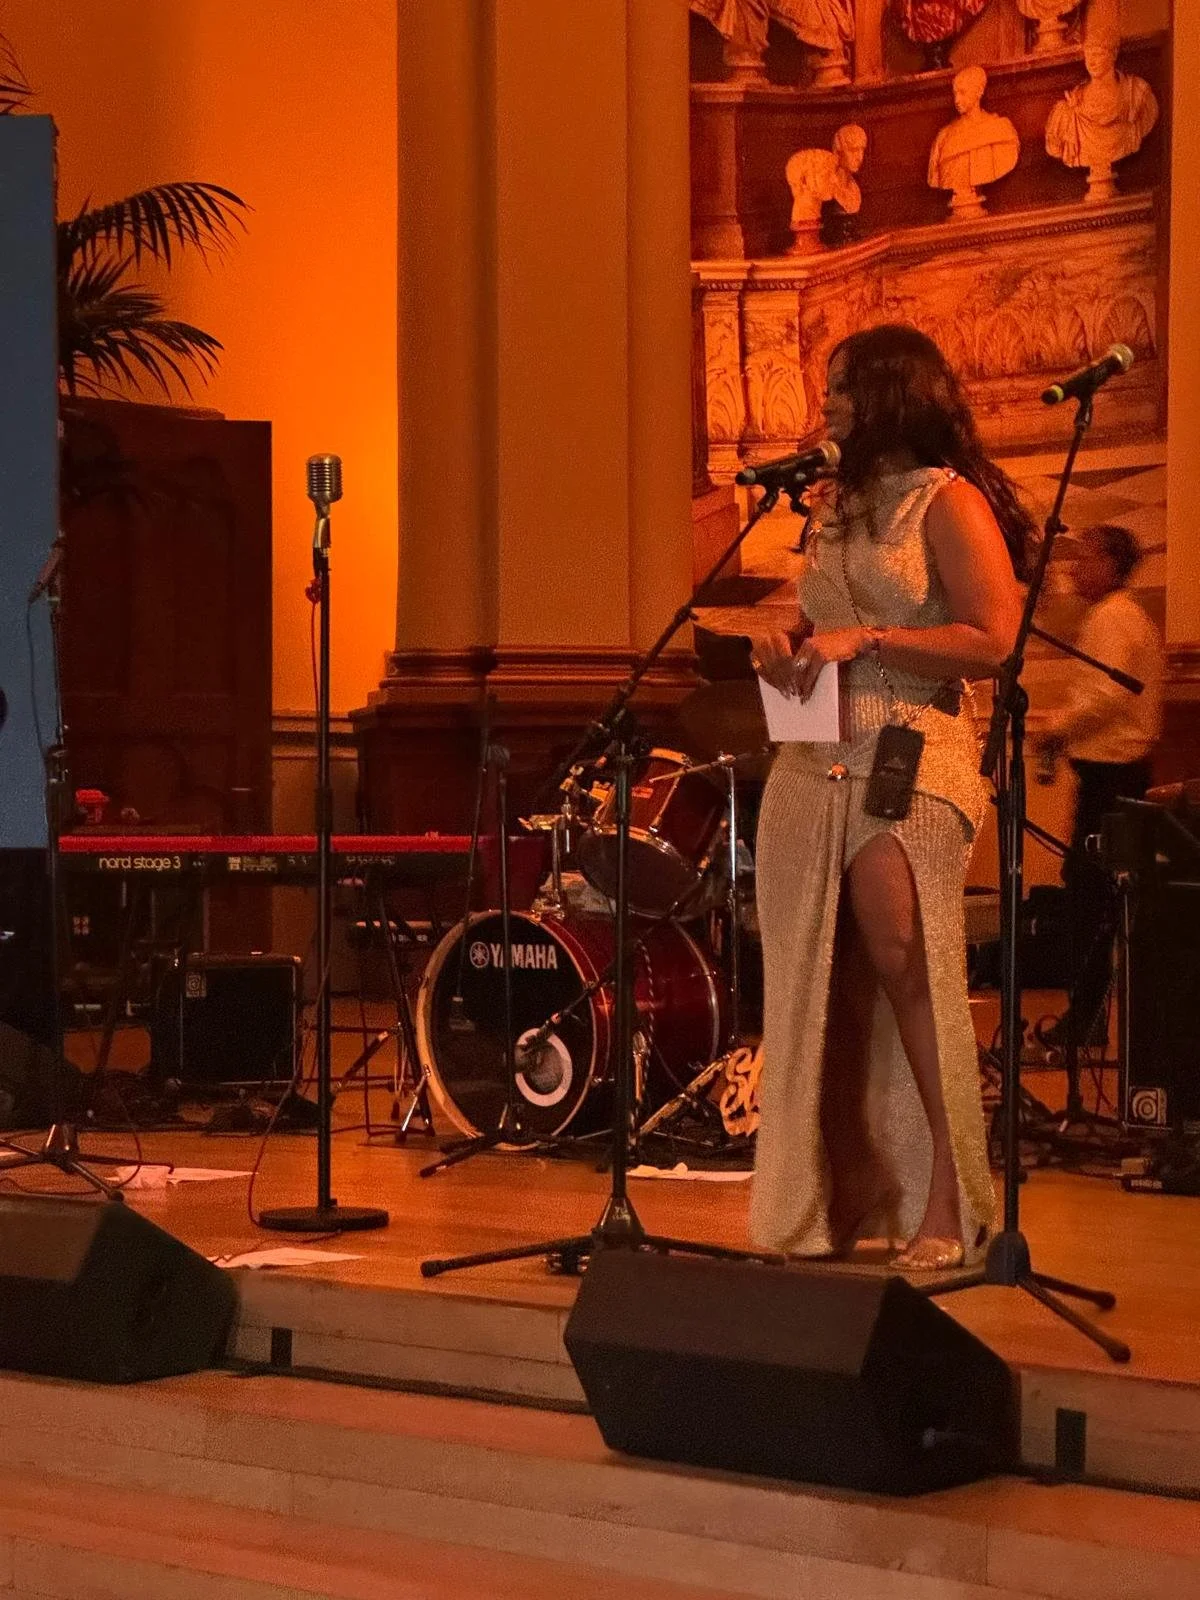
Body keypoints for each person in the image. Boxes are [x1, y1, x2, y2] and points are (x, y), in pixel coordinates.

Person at [748, 323, 1029, 1271]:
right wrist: (782, 641)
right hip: (811, 755)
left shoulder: (946, 503)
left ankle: (950, 1196)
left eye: (840, 389)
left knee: (906, 954)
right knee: (818, 972)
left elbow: (993, 638)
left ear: (892, 394)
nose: (824, 406)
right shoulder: (835, 506)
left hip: (912, 747)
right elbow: (820, 615)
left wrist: (865, 643)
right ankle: (842, 1187)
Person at [1032, 524, 1163, 1050]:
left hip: (1112, 780)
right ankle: (1087, 1017)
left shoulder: (1113, 618)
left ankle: (1084, 1020)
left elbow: (1106, 695)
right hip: (1117, 776)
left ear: (1112, 564)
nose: (1074, 568)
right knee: (1096, 897)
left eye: (1085, 558)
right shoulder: (1115, 616)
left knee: (1091, 899)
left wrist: (1053, 729)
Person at [927, 66, 1019, 215]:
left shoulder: (1000, 129)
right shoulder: (943, 137)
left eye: (963, 93)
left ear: (979, 92)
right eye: (955, 93)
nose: (957, 100)